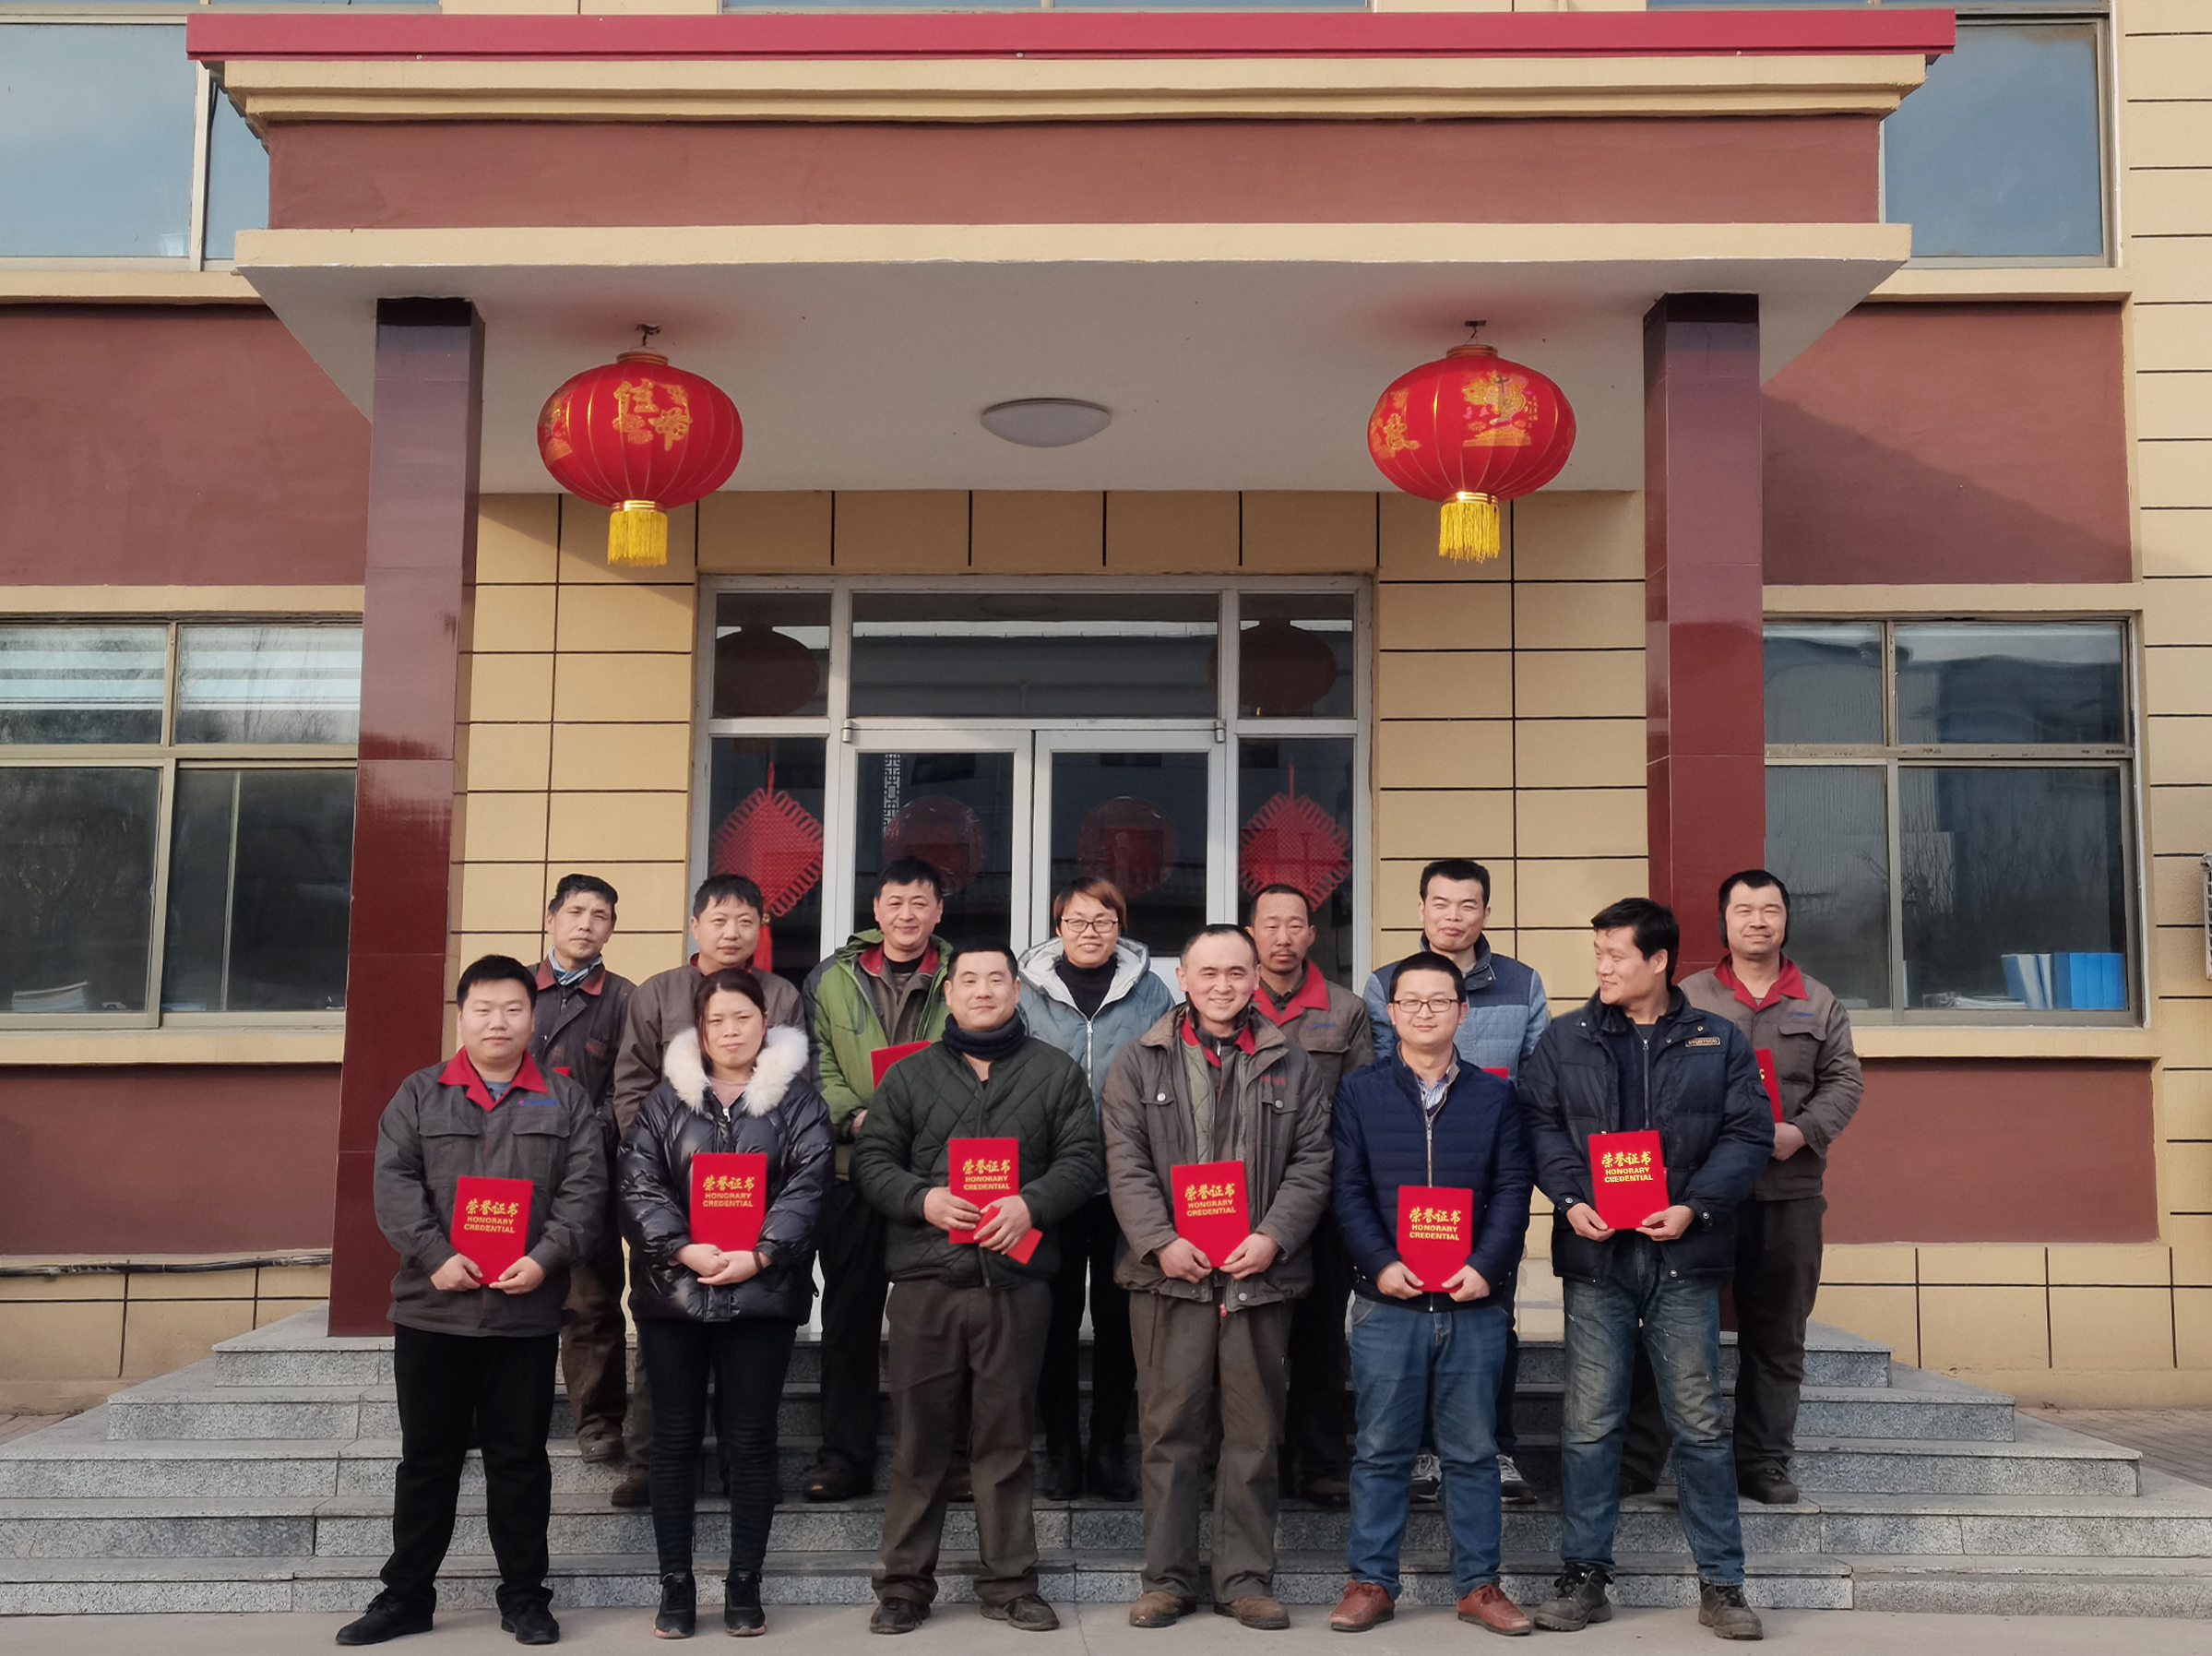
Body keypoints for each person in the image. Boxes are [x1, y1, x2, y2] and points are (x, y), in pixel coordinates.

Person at [1517, 899, 1773, 1642]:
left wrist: (1694, 1205)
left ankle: (1722, 1581)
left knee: (1699, 1420)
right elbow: (1537, 1123)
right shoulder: (1564, 1038)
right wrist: (1570, 1198)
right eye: (1597, 952)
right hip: (1597, 1255)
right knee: (1588, 1421)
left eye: (1616, 954)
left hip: (1683, 1254)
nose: (1601, 967)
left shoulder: (1716, 1038)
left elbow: (1747, 1132)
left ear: (1658, 960)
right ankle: (1585, 1574)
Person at [339, 956, 606, 1649]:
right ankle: (406, 1597)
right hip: (434, 1310)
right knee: (427, 1461)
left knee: (520, 1461)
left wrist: (543, 1258)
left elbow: (585, 1194)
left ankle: (525, 1598)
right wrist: (436, 1256)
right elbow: (395, 1184)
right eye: (484, 1009)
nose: (498, 1022)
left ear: (532, 1017)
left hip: (524, 1313)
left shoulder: (566, 1100)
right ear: (462, 1017)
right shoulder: (419, 1094)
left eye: (513, 1009)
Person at [850, 946, 1102, 1634]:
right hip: (927, 1282)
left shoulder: (1054, 1070)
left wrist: (1032, 1204)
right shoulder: (910, 1074)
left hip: (1015, 1283)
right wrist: (921, 1199)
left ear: (1016, 990)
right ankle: (904, 1585)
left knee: (1007, 1438)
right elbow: (873, 1160)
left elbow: (1083, 1159)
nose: (983, 990)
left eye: (997, 979)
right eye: (969, 980)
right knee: (919, 1441)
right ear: (949, 992)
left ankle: (1010, 1583)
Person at [1101, 924, 1333, 1632]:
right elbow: (1125, 1161)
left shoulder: (1294, 1062)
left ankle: (1244, 1577)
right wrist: (1159, 1241)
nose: (1223, 984)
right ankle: (1167, 1578)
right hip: (1170, 1276)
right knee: (1168, 1428)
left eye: (1237, 972)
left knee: (1254, 1431)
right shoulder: (1138, 1060)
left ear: (1256, 976)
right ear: (1184, 978)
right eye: (1208, 972)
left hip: (1258, 1275)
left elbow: (1313, 1161)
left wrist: (1273, 1236)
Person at [1619, 871, 1863, 1506]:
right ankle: (1641, 1460)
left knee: (1776, 1337)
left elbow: (1845, 1082)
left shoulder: (1818, 1000)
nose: (1758, 920)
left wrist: (1800, 1132)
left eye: (1771, 909)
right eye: (1744, 910)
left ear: (1786, 919)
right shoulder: (1688, 996)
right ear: (1723, 922)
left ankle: (1763, 1463)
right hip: (1698, 1196)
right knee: (1670, 1327)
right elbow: (1648, 1075)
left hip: (1787, 1193)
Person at [620, 968, 834, 1638]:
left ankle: (745, 1581)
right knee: (673, 1440)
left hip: (762, 1294)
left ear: (765, 1023)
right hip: (674, 1295)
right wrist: (683, 1248)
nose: (731, 1031)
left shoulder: (798, 1104)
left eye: (743, 1017)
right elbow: (639, 1183)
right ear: (700, 1029)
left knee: (752, 1439)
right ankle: (676, 1583)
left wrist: (763, 1253)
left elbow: (810, 1184)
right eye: (717, 1020)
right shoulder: (665, 1102)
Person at [1325, 953, 1533, 1637]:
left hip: (1473, 1304)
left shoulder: (1496, 1096)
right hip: (1388, 1304)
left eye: (1438, 1001)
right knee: (1381, 1450)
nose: (1424, 1012)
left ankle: (1479, 1585)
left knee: (1472, 1452)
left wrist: (1487, 1265)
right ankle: (1371, 1581)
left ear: (1461, 1012)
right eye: (1410, 1001)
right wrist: (1379, 1263)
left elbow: (1512, 1190)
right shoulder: (1359, 1092)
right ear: (1390, 1012)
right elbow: (1348, 1189)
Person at [608, 873, 806, 1508]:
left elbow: (794, 1092)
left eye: (745, 920)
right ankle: (653, 1461)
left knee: (749, 1333)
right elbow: (631, 1084)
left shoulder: (781, 994)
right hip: (673, 1192)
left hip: (755, 1196)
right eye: (719, 919)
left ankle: (741, 1464)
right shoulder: (657, 992)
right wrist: (658, 1164)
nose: (731, 932)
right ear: (695, 925)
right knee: (667, 1322)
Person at [1362, 859, 1547, 1507]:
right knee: (1411, 1317)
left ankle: (1496, 1446)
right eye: (1440, 903)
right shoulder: (1386, 982)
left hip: (1487, 1176)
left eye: (1468, 904)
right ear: (1421, 909)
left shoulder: (1523, 982)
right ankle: (1420, 1449)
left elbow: (1538, 1076)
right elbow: (1379, 1075)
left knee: (1492, 1316)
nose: (1453, 916)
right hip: (1406, 1184)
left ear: (1486, 912)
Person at [799, 858, 956, 1505]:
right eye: (896, 902)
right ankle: (844, 1456)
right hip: (853, 1168)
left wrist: (926, 1128)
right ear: (877, 909)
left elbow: (974, 1058)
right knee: (849, 1318)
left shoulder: (960, 975)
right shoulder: (831, 978)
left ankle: (943, 1456)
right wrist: (860, 1117)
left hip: (936, 1175)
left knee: (941, 1322)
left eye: (920, 903)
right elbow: (815, 1064)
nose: (907, 914)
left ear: (938, 910)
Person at [1017, 876, 1172, 1503]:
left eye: (1103, 921)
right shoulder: (1026, 989)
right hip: (1049, 1181)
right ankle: (1061, 1447)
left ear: (1120, 926)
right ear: (1058, 928)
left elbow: (1167, 1071)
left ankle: (1109, 1446)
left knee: (1119, 1322)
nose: (1090, 932)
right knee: (1050, 1319)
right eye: (1077, 921)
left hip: (1125, 1182)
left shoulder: (1151, 990)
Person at [1247, 883, 1374, 1508]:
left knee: (1320, 1337)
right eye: (1270, 924)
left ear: (1312, 934)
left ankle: (1320, 1460)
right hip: (1239, 1202)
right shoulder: (1226, 998)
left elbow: (1358, 1108)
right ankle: (1249, 1459)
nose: (1282, 936)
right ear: (1251, 933)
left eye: (1295, 924)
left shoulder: (1345, 1010)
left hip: (1318, 1198)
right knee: (1247, 1340)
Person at [529, 874, 637, 1472]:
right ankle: (488, 1410)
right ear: (551, 919)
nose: (585, 924)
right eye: (574, 912)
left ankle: (598, 1421)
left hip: (588, 1174)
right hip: (510, 1170)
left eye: (599, 915)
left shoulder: (625, 1000)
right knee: (498, 1295)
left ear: (611, 929)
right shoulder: (517, 988)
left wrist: (578, 1138)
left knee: (591, 1301)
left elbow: (629, 1088)